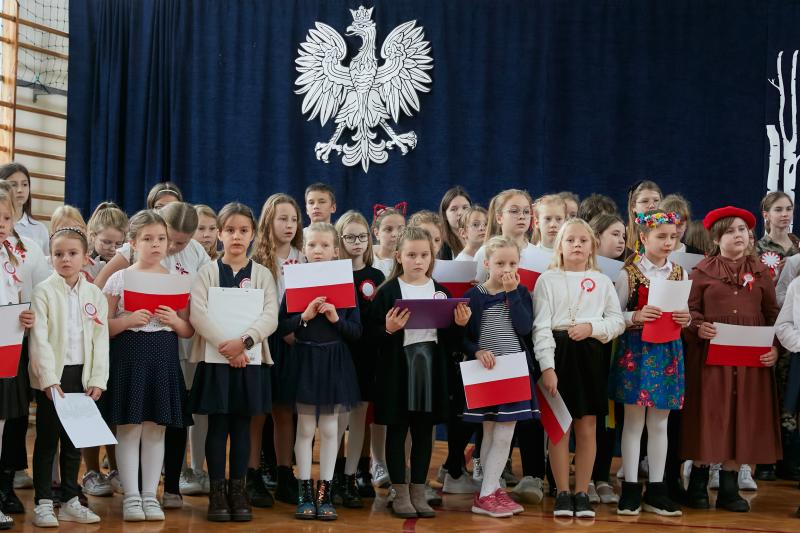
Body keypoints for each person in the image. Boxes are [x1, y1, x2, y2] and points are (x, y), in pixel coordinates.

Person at [682, 206, 781, 513]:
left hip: (751, 361)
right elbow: (688, 312)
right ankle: (698, 483)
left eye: (742, 230)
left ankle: (729, 487)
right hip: (712, 359)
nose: (739, 235)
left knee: (742, 416)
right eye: (730, 231)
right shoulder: (701, 272)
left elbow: (773, 315)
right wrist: (699, 326)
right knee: (711, 415)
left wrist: (775, 347)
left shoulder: (762, 273)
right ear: (716, 238)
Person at [371, 226, 471, 518]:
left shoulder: (440, 291)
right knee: (397, 429)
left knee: (424, 431)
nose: (418, 261)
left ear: (432, 257)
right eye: (411, 255)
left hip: (429, 370)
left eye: (424, 255)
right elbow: (369, 337)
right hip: (398, 370)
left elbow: (451, 342)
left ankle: (418, 490)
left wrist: (459, 325)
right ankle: (400, 492)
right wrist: (388, 329)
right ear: (399, 256)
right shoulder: (387, 291)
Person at [102, 210, 195, 522]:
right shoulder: (119, 278)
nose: (156, 244)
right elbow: (102, 325)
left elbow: (188, 329)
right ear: (133, 243)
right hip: (129, 359)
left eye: (161, 239)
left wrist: (174, 321)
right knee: (129, 429)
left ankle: (149, 495)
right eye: (147, 238)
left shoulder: (175, 280)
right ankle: (131, 496)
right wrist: (126, 321)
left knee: (157, 430)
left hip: (163, 360)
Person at [189, 203, 278, 522]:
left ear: (253, 234)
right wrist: (226, 347)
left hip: (249, 362)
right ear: (219, 234)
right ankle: (217, 492)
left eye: (243, 230)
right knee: (218, 426)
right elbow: (198, 313)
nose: (236, 236)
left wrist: (245, 342)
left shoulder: (262, 274)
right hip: (216, 362)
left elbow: (270, 315)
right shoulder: (207, 272)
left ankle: (238, 490)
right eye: (230, 230)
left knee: (242, 426)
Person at [533, 218, 625, 518]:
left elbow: (617, 321)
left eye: (583, 240)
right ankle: (562, 491)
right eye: (570, 240)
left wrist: (592, 328)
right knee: (559, 428)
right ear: (559, 245)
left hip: (590, 356)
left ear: (592, 246)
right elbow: (541, 327)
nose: (576, 245)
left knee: (587, 427)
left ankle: (582, 492)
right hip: (558, 356)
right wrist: (547, 367)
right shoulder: (547, 280)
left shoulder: (602, 281)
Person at [278, 222, 361, 521]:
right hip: (305, 361)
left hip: (333, 363)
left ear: (335, 251)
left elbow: (356, 331)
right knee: (304, 429)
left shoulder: (345, 283)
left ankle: (325, 493)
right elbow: (281, 326)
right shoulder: (296, 281)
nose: (318, 250)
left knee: (329, 430)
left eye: (325, 245)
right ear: (304, 249)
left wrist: (336, 319)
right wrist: (304, 317)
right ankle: (305, 493)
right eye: (312, 245)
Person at [610, 210, 688, 517]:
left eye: (673, 237)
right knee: (633, 422)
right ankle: (630, 488)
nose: (668, 242)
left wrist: (686, 318)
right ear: (643, 238)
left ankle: (657, 489)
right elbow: (614, 316)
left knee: (659, 423)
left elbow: (684, 312)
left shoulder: (680, 273)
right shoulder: (628, 274)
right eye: (661, 237)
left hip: (667, 352)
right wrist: (636, 316)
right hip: (637, 352)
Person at [29, 228, 108, 526]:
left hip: (82, 377)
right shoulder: (43, 292)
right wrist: (48, 379)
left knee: (75, 442)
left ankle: (71, 500)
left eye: (72, 253)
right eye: (59, 254)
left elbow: (100, 340)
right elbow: (39, 339)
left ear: (85, 258)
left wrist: (98, 379)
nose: (65, 259)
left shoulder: (94, 294)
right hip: (54, 379)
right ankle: (43, 502)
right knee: (48, 441)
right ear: (50, 258)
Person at [463, 236, 538, 518]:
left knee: (506, 434)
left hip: (514, 371)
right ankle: (488, 492)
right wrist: (477, 350)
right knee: (490, 432)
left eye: (512, 263)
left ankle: (489, 491)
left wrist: (513, 293)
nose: (507, 269)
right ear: (486, 263)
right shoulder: (475, 296)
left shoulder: (521, 292)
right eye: (500, 263)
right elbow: (463, 337)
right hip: (485, 372)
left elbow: (524, 327)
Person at [250, 193, 305, 505]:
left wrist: (293, 329)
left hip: (292, 342)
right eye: (283, 218)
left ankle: (286, 474)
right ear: (268, 221)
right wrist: (278, 329)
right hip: (263, 341)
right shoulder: (257, 260)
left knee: (285, 411)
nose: (289, 225)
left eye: (294, 219)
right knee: (258, 412)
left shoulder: (304, 258)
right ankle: (252, 475)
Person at [334, 211, 385, 507]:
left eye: (362, 236)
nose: (357, 242)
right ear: (339, 239)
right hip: (338, 356)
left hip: (366, 358)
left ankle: (352, 475)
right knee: (336, 420)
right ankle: (334, 476)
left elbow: (378, 321)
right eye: (350, 236)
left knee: (359, 417)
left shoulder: (377, 277)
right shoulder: (332, 274)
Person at [0, 188, 36, 530]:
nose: (1, 224)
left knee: (2, 427)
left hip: (6, 350)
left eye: (7, 218)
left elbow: (17, 299)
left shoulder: (13, 255)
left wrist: (24, 317)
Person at [0, 162, 49, 253]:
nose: (20, 190)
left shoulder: (40, 229)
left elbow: (46, 260)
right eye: (13, 185)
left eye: (25, 184)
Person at [625, 180, 662, 254]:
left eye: (656, 200)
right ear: (633, 207)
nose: (652, 206)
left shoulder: (672, 232)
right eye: (645, 201)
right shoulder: (623, 235)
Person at [438, 186, 471, 259]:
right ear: (445, 215)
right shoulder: (441, 245)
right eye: (454, 209)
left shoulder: (483, 239)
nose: (460, 213)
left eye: (465, 208)